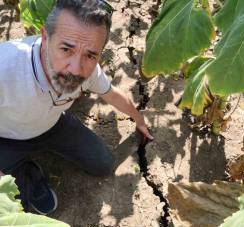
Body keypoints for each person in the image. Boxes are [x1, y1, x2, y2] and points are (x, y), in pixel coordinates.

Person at [0, 0, 152, 215]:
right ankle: (27, 172)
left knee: (103, 164)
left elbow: (111, 94)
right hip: (7, 139)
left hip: (52, 125)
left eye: (90, 55)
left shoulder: (89, 69)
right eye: (66, 49)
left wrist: (139, 120)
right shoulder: (5, 67)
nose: (76, 69)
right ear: (45, 37)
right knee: (13, 209)